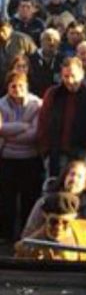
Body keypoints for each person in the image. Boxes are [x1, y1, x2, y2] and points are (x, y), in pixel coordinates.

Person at [37, 56, 86, 176]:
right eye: (65, 76)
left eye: (73, 76)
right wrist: (45, 150)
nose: (70, 81)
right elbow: (43, 122)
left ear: (81, 74)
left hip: (84, 153)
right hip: (56, 153)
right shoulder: (53, 94)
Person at [0, 71, 43, 242]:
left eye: (21, 86)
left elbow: (34, 134)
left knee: (29, 198)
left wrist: (9, 132)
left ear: (27, 86)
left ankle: (26, 235)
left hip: (30, 158)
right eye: (13, 86)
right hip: (7, 158)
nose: (17, 89)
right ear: (7, 87)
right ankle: (5, 235)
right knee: (6, 198)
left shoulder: (37, 104)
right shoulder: (0, 104)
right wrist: (23, 126)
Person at [22, 158, 86, 240]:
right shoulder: (44, 202)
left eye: (79, 176)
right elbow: (27, 235)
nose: (74, 179)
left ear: (85, 183)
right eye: (72, 174)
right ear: (64, 177)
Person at [15, 192, 86, 262]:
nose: (59, 227)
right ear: (45, 215)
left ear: (74, 218)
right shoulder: (29, 246)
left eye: (65, 222)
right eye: (53, 222)